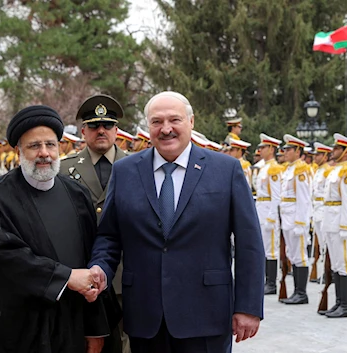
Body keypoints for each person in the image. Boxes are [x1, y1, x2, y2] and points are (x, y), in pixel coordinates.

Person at [86, 91, 264, 352]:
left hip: (207, 314)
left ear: (191, 122)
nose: (166, 129)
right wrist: (100, 267)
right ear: (148, 127)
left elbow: (249, 243)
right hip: (146, 317)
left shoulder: (226, 170)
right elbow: (110, 235)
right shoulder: (125, 171)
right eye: (157, 122)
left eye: (175, 120)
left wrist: (248, 307)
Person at [0, 105, 111, 353]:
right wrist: (66, 277)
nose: (44, 153)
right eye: (34, 146)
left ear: (59, 147)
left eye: (50, 145)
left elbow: (89, 258)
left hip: (69, 324)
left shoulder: (77, 194)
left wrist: (94, 327)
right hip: (19, 327)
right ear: (18, 150)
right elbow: (5, 256)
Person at [60, 94, 128, 353]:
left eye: (108, 125)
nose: (102, 131)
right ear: (83, 131)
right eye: (95, 126)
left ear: (117, 130)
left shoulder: (137, 167)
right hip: (81, 272)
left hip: (126, 272)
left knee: (126, 344)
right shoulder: (64, 170)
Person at [318, 134, 347, 318]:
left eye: (337, 149)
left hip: (340, 223)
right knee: (335, 264)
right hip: (331, 222)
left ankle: (346, 306)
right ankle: (339, 302)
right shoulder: (334, 171)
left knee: (344, 265)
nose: (333, 151)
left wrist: (345, 227)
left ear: (346, 151)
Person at [279, 134, 312, 305]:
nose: (285, 152)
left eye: (289, 149)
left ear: (298, 151)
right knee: (292, 254)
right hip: (287, 216)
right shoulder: (288, 169)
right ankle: (296, 291)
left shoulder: (301, 169)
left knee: (300, 255)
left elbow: (304, 198)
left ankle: (301, 292)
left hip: (296, 218)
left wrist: (301, 222)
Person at [254, 133, 284, 295]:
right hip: (261, 207)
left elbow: (276, 195)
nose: (260, 150)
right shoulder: (264, 167)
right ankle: (267, 280)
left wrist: (272, 216)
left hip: (268, 211)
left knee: (271, 248)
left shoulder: (274, 169)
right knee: (263, 248)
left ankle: (272, 283)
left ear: (271, 149)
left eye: (264, 147)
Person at [310, 142, 333, 283]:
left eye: (318, 155)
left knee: (326, 244)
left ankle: (329, 273)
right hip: (317, 209)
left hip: (324, 209)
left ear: (325, 156)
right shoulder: (318, 171)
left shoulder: (328, 171)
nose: (315, 157)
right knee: (322, 245)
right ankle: (325, 272)